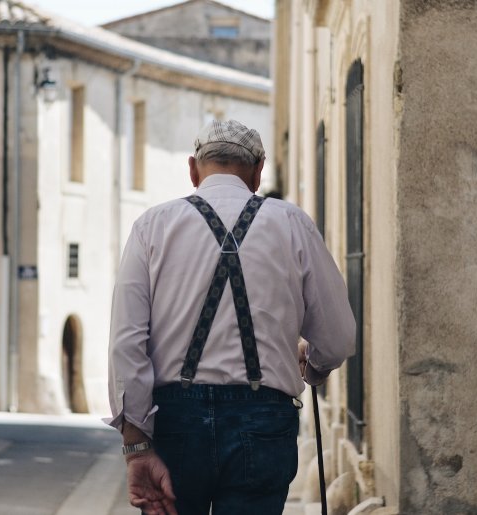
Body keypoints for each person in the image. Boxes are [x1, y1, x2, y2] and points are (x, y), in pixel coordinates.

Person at [105, 120, 355, 515]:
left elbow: (126, 342)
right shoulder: (292, 223)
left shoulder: (152, 227)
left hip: (176, 422)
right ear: (258, 171)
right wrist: (315, 367)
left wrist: (136, 446)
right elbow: (338, 337)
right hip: (264, 421)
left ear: (193, 169)